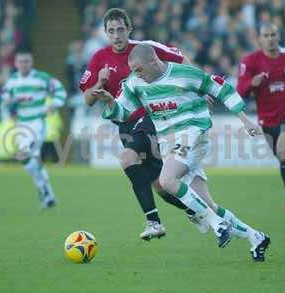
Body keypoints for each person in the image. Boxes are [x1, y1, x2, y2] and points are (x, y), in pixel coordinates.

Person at [93, 43, 271, 261]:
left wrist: (245, 119)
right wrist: (110, 101)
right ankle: (257, 237)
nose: (136, 74)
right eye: (133, 71)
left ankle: (217, 225)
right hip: (169, 143)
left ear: (153, 61)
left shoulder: (184, 74)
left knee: (167, 180)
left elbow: (220, 87)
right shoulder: (135, 82)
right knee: (209, 205)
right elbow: (122, 113)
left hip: (193, 131)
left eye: (139, 69)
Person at [79, 8, 202, 241]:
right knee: (160, 186)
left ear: (129, 29)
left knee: (127, 158)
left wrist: (198, 86)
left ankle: (153, 222)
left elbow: (181, 59)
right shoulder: (99, 58)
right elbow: (87, 99)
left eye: (121, 30)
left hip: (151, 116)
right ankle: (201, 211)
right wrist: (100, 82)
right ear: (105, 32)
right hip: (124, 124)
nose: (117, 35)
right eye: (111, 31)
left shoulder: (146, 49)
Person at [237, 22, 285, 220]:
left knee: (282, 148)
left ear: (279, 37)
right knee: (283, 157)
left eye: (273, 34)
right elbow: (239, 91)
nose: (270, 38)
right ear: (259, 39)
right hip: (267, 118)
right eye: (266, 35)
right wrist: (251, 83)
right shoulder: (250, 61)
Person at [1, 50, 67, 208]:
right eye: (21, 62)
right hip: (21, 124)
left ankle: (45, 192)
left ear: (31, 62)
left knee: (24, 152)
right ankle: (47, 193)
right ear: (16, 63)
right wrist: (9, 104)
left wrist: (54, 104)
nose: (24, 64)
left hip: (37, 123)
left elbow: (60, 91)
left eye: (27, 61)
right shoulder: (12, 81)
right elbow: (4, 97)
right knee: (30, 162)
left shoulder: (42, 78)